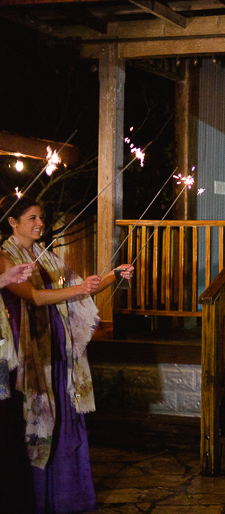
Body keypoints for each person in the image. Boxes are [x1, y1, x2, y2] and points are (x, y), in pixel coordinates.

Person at [0, 195, 133, 513]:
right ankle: (38, 499)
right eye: (32, 218)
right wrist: (79, 289)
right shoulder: (5, 256)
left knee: (63, 421)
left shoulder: (44, 255)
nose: (40, 223)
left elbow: (79, 285)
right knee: (38, 423)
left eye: (40, 217)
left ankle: (67, 497)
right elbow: (32, 296)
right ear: (13, 222)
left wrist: (115, 274)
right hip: (30, 357)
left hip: (57, 354)